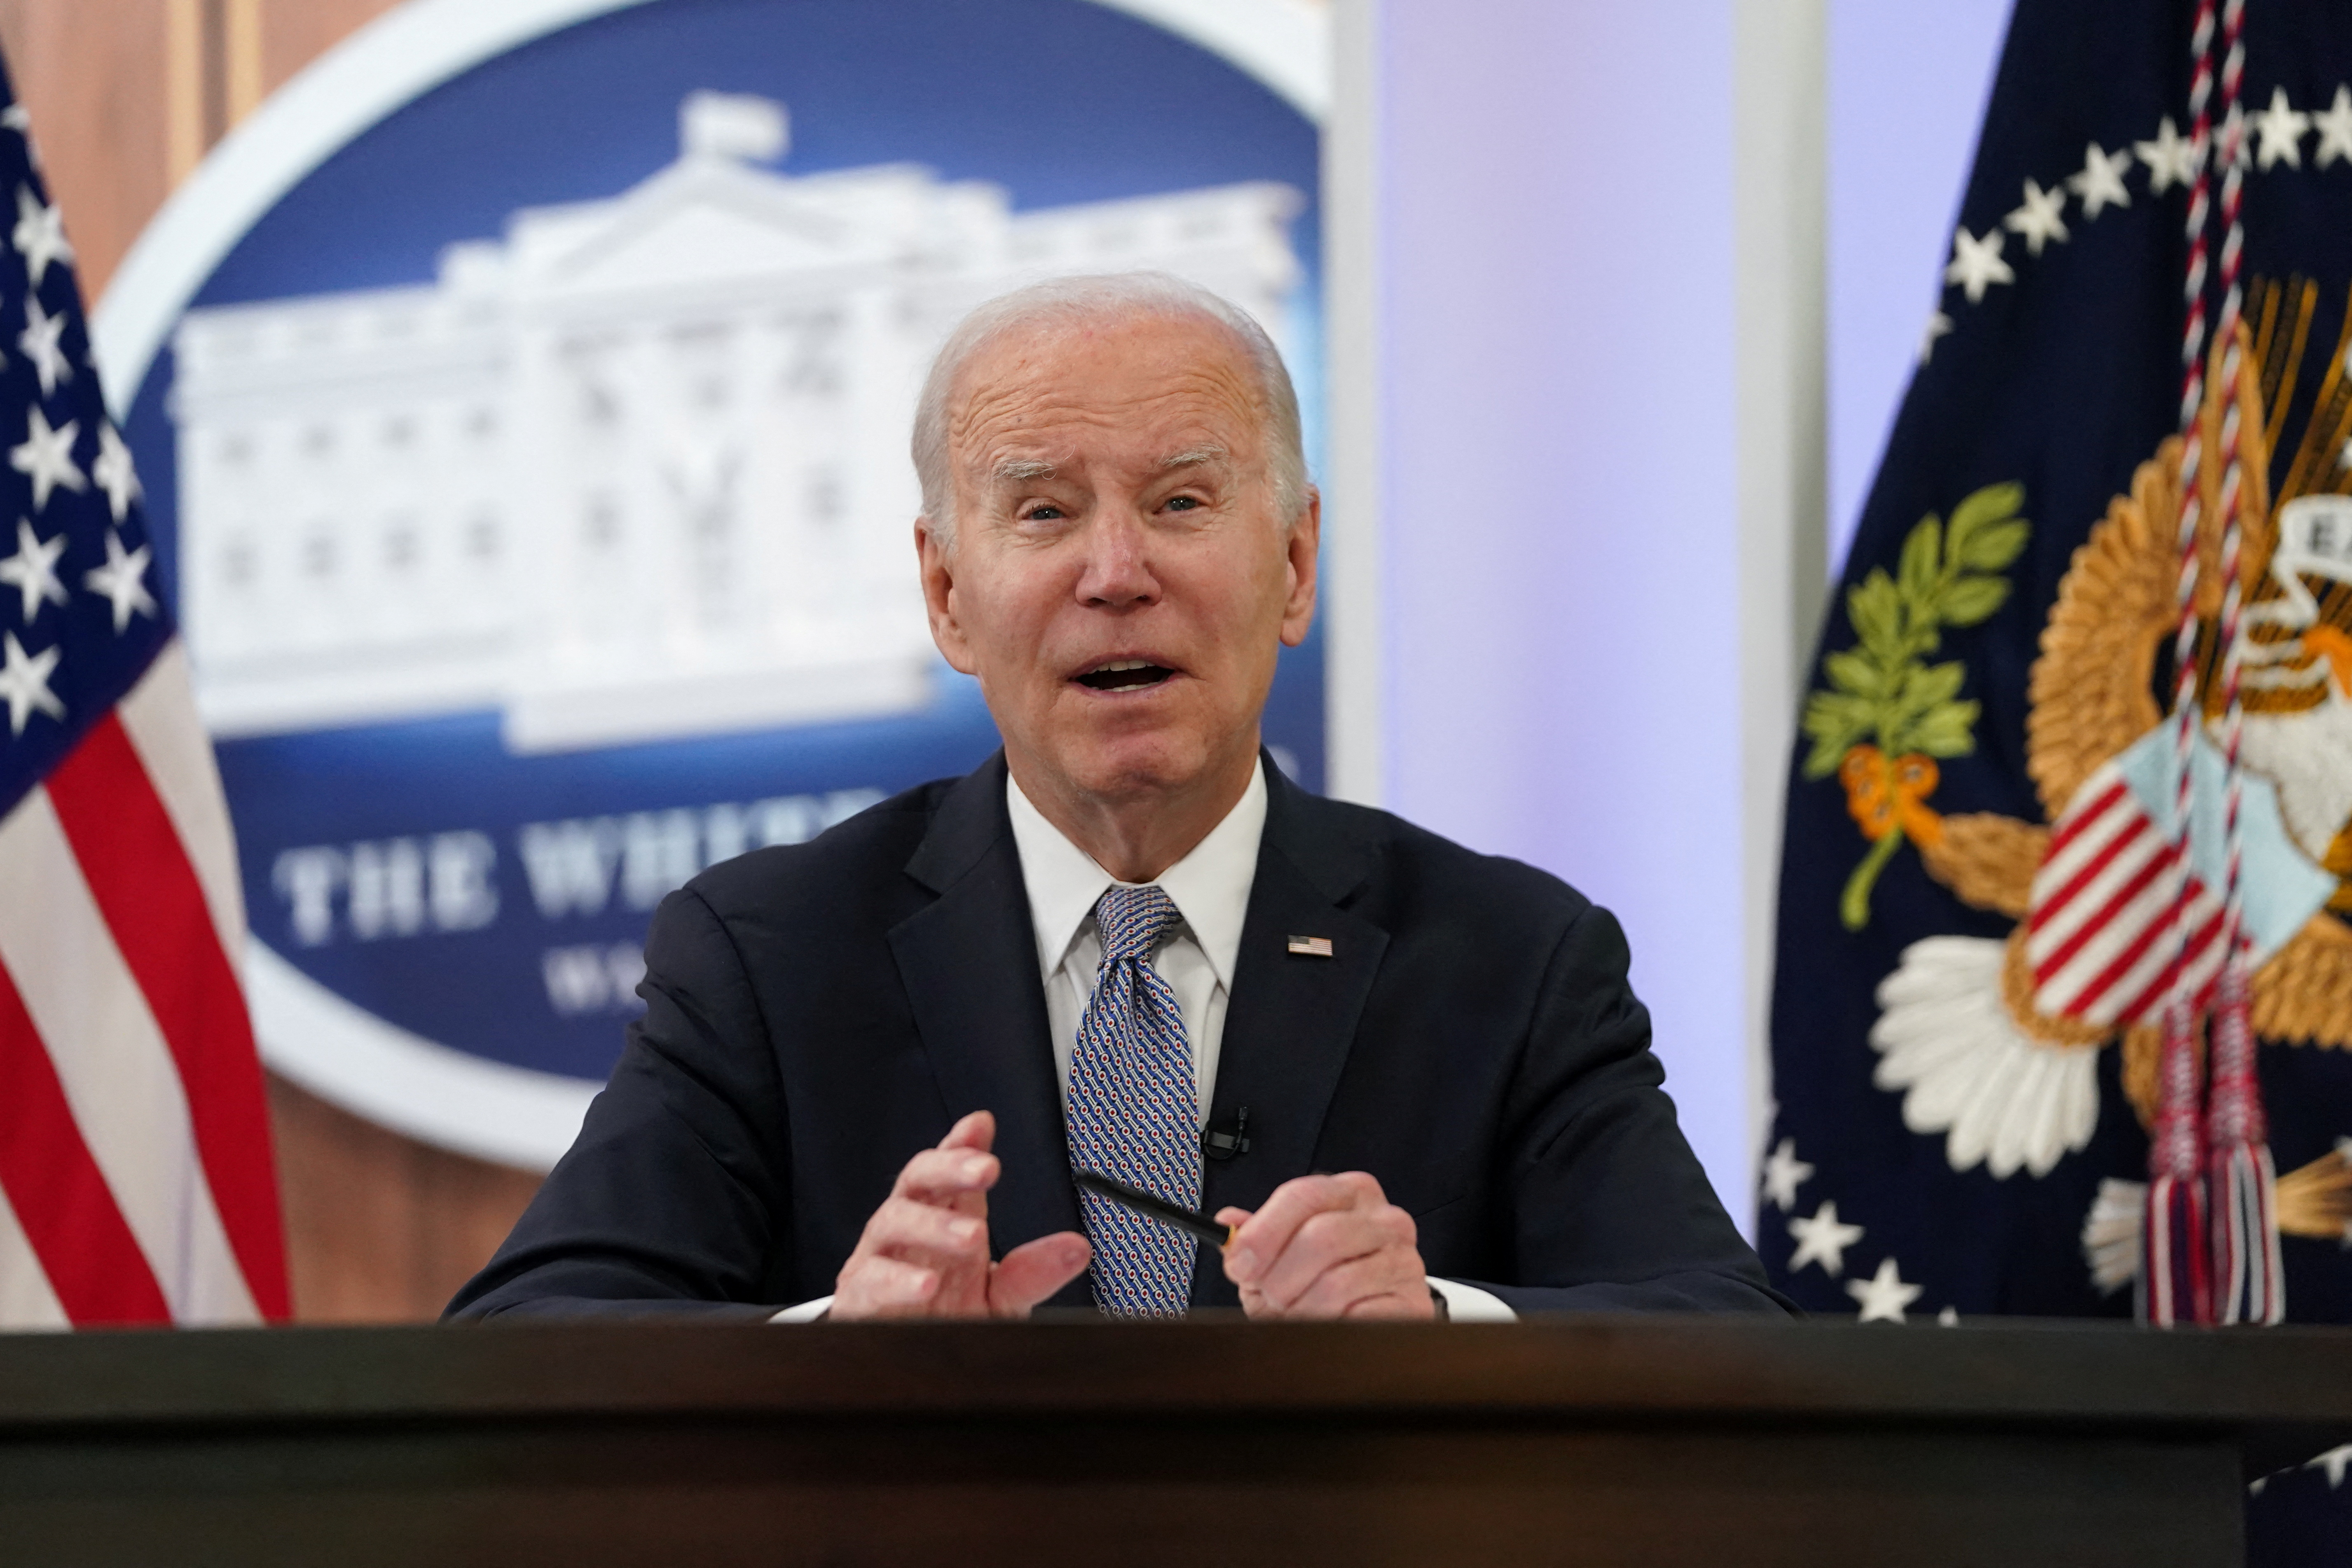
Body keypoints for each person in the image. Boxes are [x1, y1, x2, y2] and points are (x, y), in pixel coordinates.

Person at [449, 272, 1786, 1323]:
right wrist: (837, 1347)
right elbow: (526, 1340)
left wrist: (1433, 1321)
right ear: (947, 595)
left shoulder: (1508, 958)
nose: (1116, 573)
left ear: (1296, 563)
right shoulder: (771, 956)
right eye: (1042, 513)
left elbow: (1727, 1337)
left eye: (1182, 501)